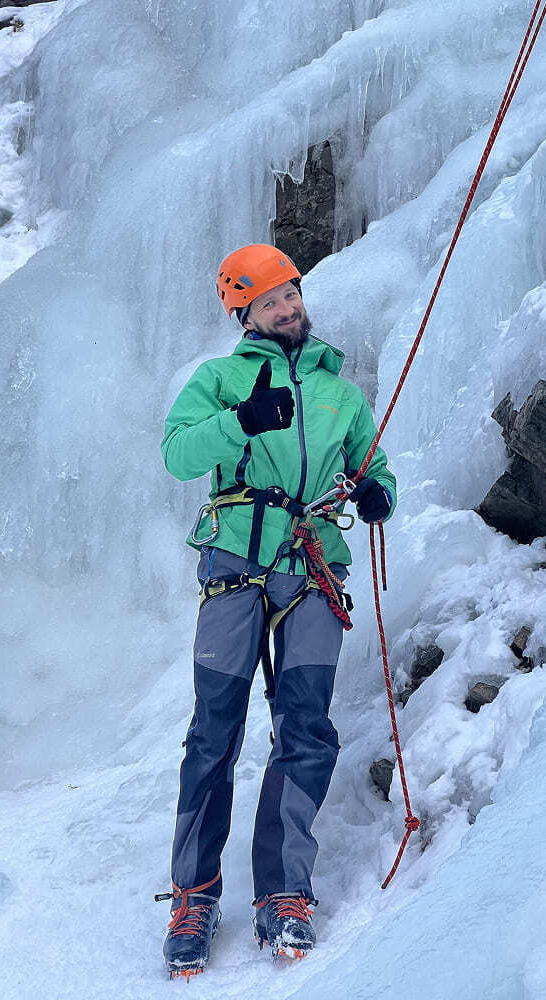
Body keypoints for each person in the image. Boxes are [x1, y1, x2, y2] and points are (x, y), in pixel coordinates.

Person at [159, 244, 397, 980]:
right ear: (245, 315)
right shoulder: (220, 379)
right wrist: (242, 421)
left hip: (312, 563)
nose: (288, 308)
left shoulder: (339, 392)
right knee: (214, 728)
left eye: (291, 294)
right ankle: (193, 895)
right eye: (269, 302)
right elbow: (178, 453)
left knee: (306, 727)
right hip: (235, 561)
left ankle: (285, 892)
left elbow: (370, 463)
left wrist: (378, 492)